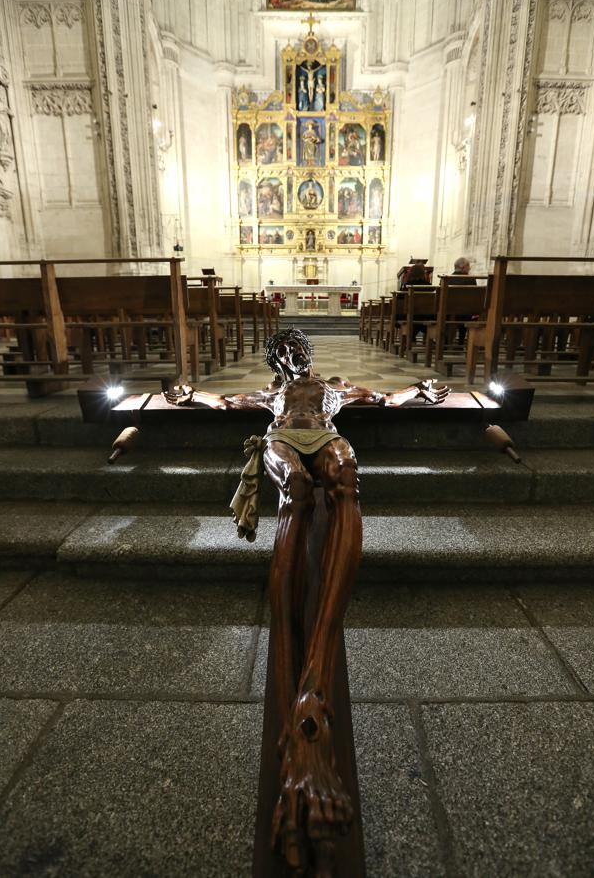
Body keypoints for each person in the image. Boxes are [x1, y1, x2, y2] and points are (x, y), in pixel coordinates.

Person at [164, 329, 449, 873]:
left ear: (310, 356)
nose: (293, 358)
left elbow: (384, 397)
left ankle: (314, 674)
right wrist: (188, 394)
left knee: (346, 474)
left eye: (298, 351)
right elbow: (224, 400)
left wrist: (424, 390)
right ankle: (299, 670)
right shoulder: (270, 396)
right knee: (294, 488)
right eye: (283, 354)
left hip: (327, 437)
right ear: (275, 362)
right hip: (283, 441)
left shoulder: (336, 387)